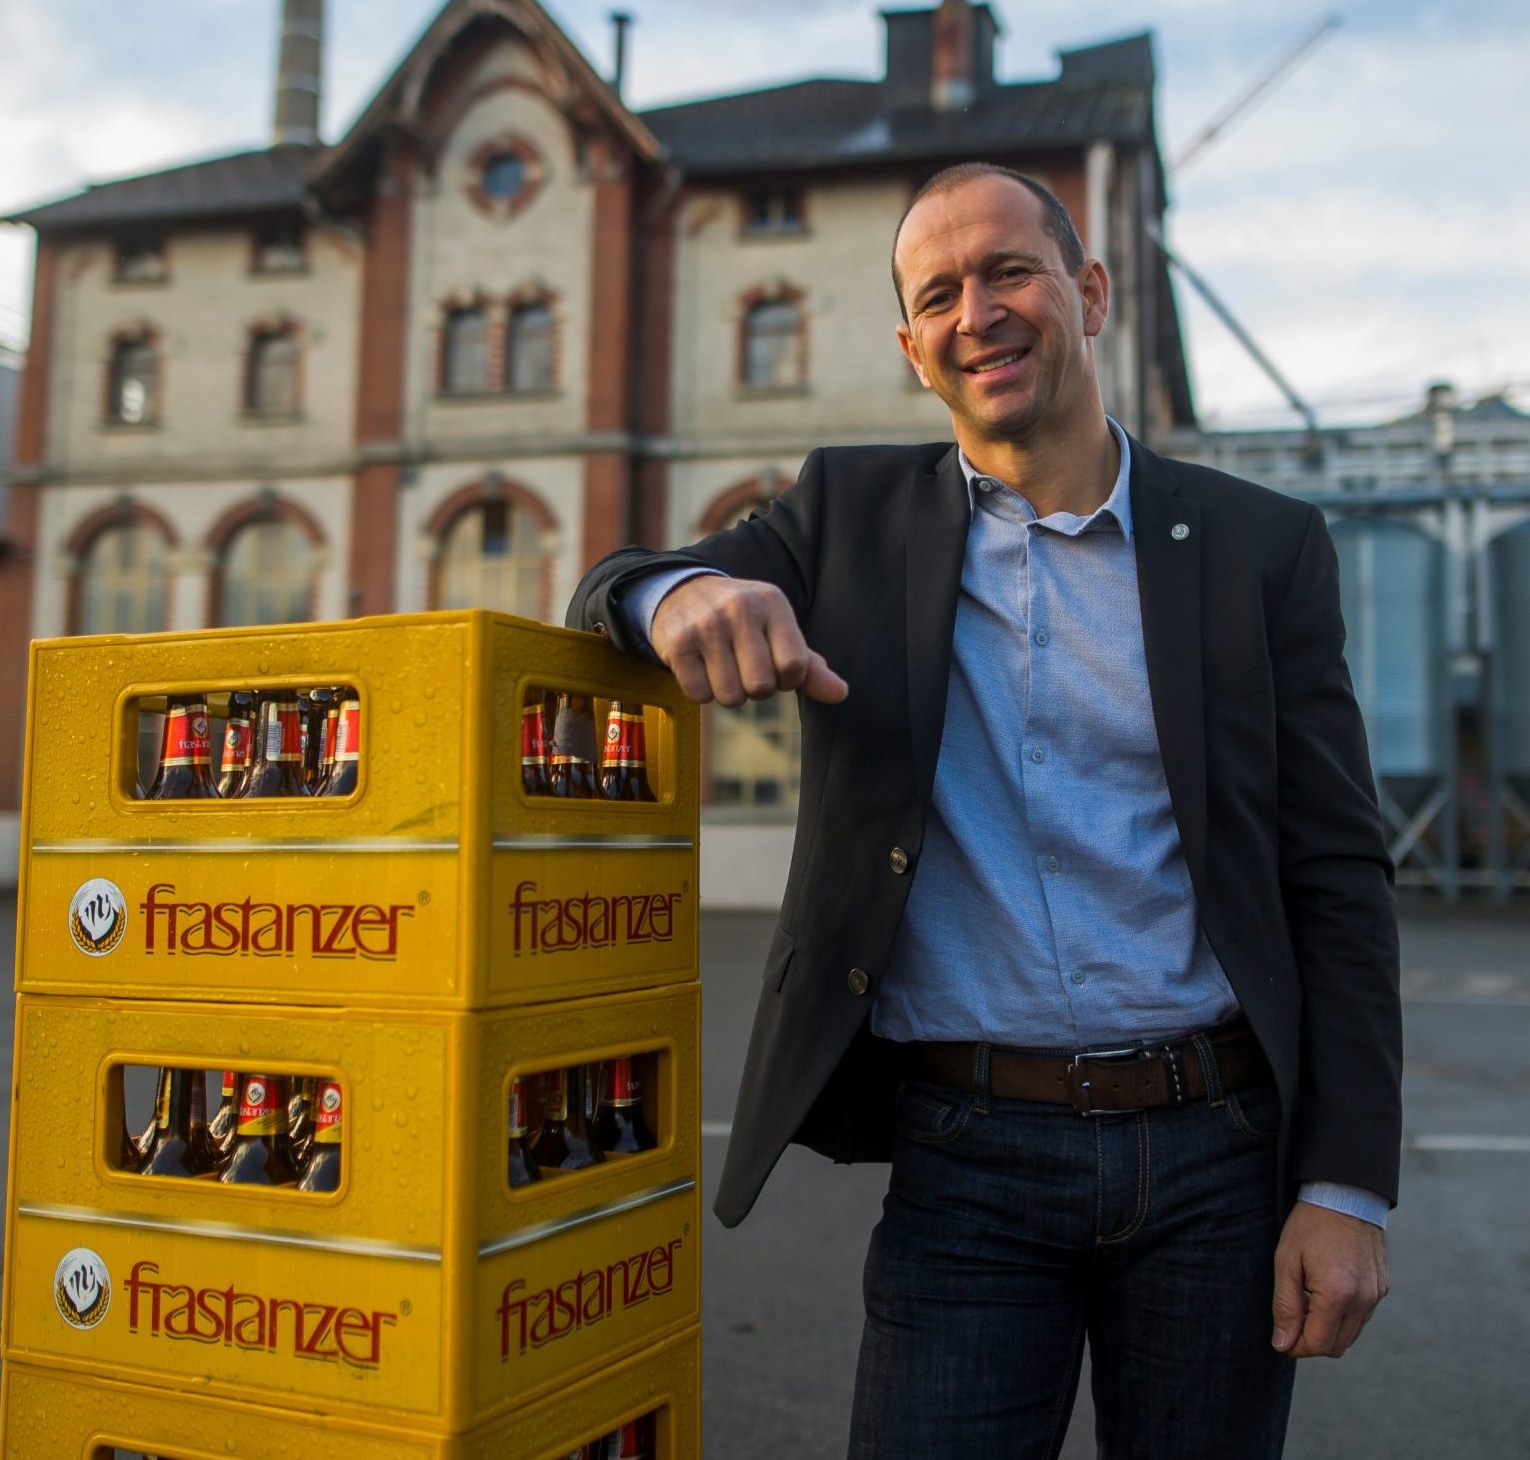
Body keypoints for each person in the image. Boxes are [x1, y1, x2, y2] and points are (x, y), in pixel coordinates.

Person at [568, 162, 1399, 1458]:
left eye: (1008, 270)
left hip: (1217, 1152)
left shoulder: (1258, 546)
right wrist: (672, 596)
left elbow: (1337, 871)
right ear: (912, 350)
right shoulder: (848, 513)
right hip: (965, 1158)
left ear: (1090, 288)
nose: (977, 312)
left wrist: (1344, 1184)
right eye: (938, 293)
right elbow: (615, 583)